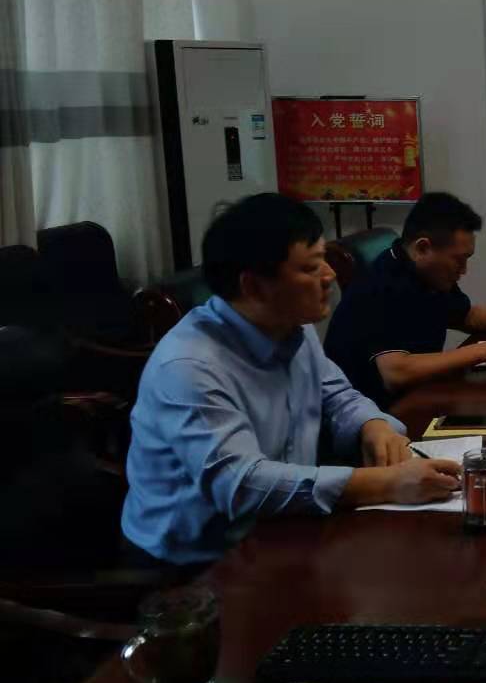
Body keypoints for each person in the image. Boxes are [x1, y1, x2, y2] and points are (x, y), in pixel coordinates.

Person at [122, 194, 461, 566]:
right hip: (198, 565)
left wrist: (374, 426)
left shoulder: (290, 326)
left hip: (283, 530)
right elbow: (244, 485)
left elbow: (338, 396)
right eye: (311, 267)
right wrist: (388, 484)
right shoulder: (188, 367)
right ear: (253, 286)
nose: (330, 276)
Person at [324, 192, 486, 406]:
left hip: (419, 394)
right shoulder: (380, 285)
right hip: (378, 416)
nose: (464, 270)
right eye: (458, 259)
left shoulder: (422, 272)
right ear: (423, 248)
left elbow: (468, 316)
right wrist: (482, 351)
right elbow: (396, 372)